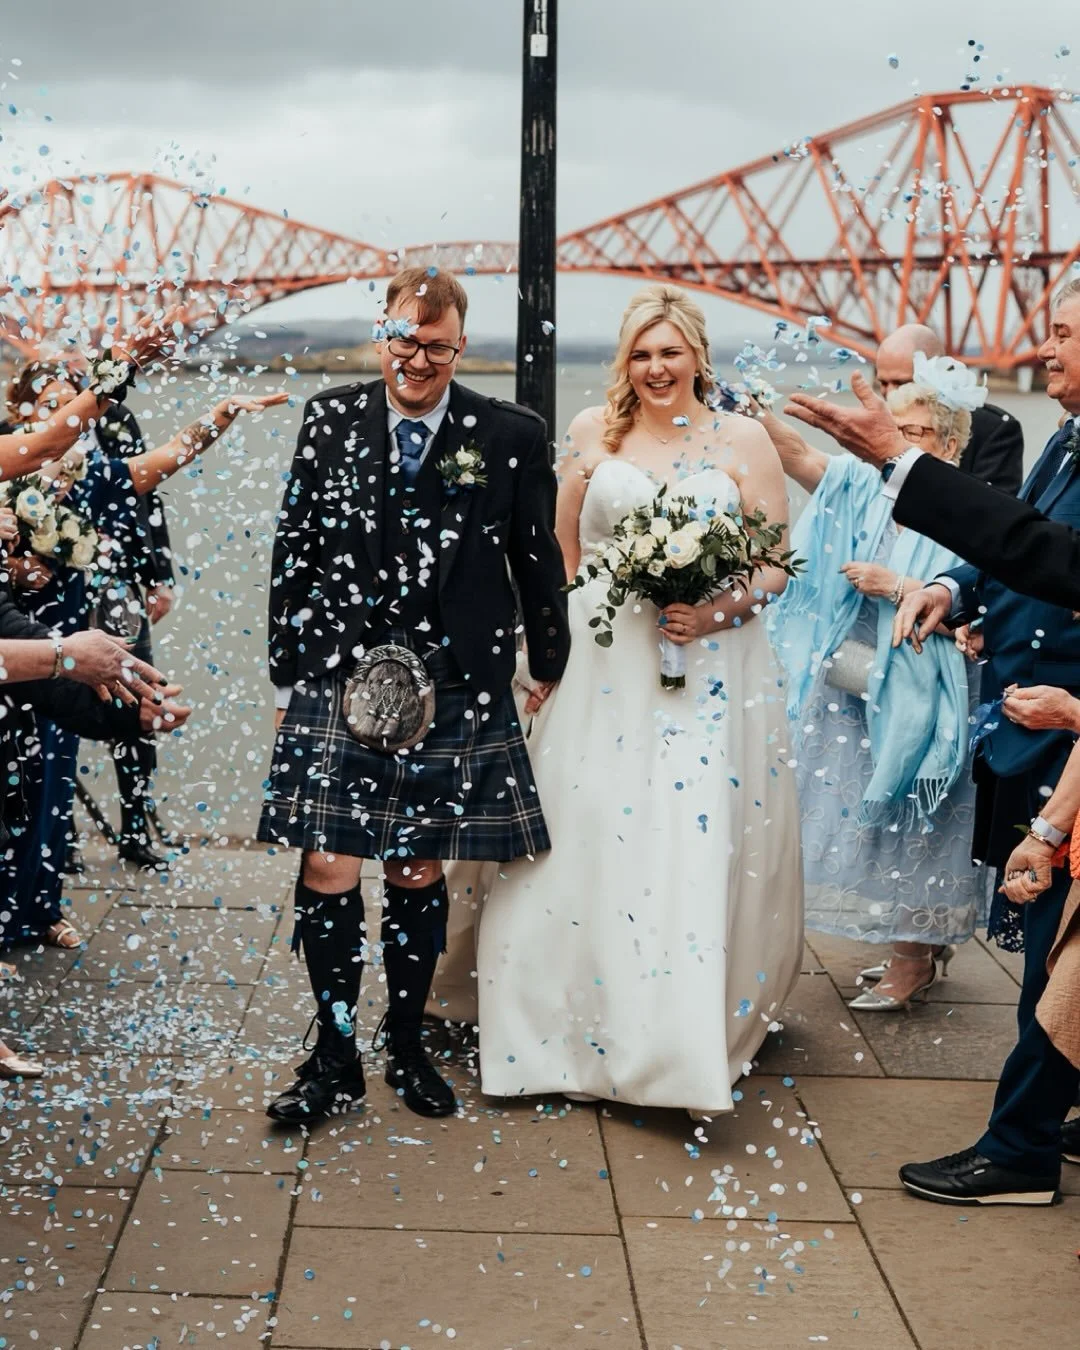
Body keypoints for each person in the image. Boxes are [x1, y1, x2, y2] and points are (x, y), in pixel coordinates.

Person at [472, 284, 803, 1113]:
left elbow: (773, 565)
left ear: (697, 357)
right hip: (604, 659)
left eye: (670, 352)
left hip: (711, 668)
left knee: (686, 836)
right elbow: (561, 549)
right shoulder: (594, 432)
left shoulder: (744, 439)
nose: (656, 368)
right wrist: (551, 648)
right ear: (626, 363)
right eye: (642, 355)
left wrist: (712, 611)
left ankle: (673, 1044)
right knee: (582, 826)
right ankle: (556, 1032)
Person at [784, 279, 1080, 1206]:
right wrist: (954, 590)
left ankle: (1020, 1150)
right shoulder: (1068, 435)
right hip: (1031, 725)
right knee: (1061, 940)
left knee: (1054, 947)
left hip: (1066, 726)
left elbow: (1060, 563)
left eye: (1063, 333)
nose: (1044, 350)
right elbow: (1017, 540)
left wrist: (898, 461)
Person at [258, 267, 570, 1126]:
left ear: (460, 347)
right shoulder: (330, 419)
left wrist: (548, 658)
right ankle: (333, 1058)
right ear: (381, 336)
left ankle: (403, 1044)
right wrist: (285, 672)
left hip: (455, 675)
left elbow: (535, 554)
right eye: (403, 339)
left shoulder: (508, 433)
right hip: (337, 671)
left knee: (415, 865)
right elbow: (295, 548)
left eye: (436, 345)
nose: (417, 359)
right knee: (326, 865)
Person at [1, 361, 284, 949]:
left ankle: (41, 909)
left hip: (76, 652)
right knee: (14, 789)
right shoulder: (7, 478)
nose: (63, 412)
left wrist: (220, 415)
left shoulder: (92, 475)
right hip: (18, 647)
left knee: (53, 783)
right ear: (21, 412)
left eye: (72, 401)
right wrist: (18, 567)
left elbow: (166, 458)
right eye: (50, 403)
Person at [767, 354, 990, 1011]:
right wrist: (742, 410)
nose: (896, 442)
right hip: (857, 681)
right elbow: (799, 456)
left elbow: (980, 605)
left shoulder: (964, 506)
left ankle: (912, 959)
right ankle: (914, 945)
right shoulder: (868, 486)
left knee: (919, 821)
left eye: (913, 432)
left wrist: (897, 586)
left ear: (949, 443)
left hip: (926, 694)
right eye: (893, 429)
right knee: (870, 817)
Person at [756, 322, 1023, 498]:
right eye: (883, 383)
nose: (889, 393)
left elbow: (996, 516)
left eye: (901, 382)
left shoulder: (993, 430)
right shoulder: (875, 423)